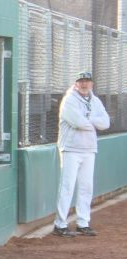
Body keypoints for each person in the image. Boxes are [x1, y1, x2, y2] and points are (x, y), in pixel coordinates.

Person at [52, 71, 111, 237]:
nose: (84, 84)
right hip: (71, 148)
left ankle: (83, 223)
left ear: (92, 83)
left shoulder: (95, 100)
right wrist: (93, 120)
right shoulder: (69, 99)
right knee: (67, 186)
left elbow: (105, 123)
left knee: (86, 187)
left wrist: (89, 119)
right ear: (76, 83)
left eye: (87, 81)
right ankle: (60, 224)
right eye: (81, 81)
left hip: (89, 149)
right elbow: (79, 123)